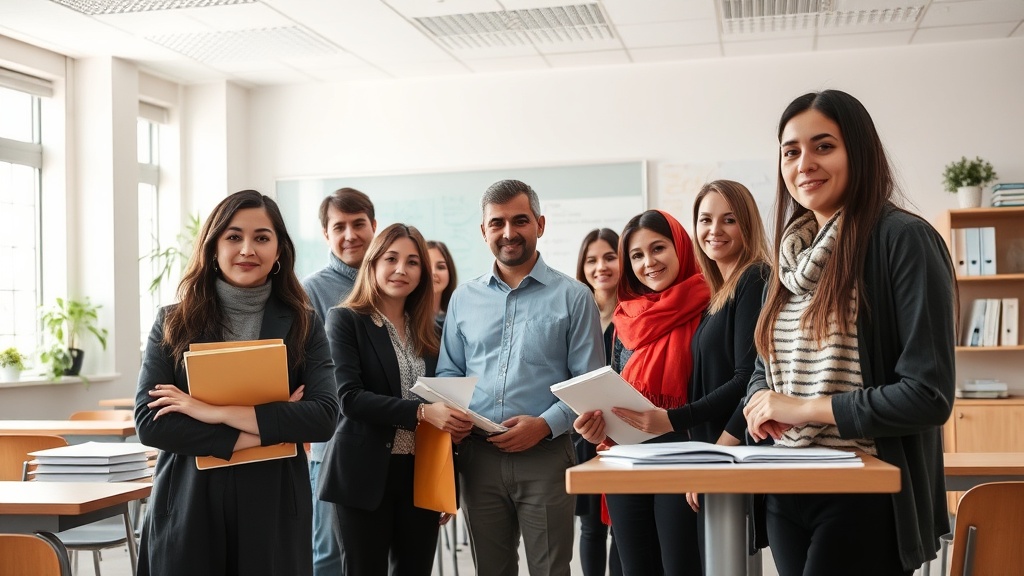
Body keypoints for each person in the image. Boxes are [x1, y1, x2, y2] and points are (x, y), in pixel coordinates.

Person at [742, 89, 955, 576]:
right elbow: (764, 367)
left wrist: (804, 409)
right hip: (787, 483)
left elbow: (928, 394)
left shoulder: (901, 240)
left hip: (864, 487)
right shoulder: (787, 259)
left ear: (859, 151)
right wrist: (762, 404)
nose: (804, 164)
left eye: (824, 146)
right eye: (790, 151)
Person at [134, 190, 339, 575]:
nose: (248, 249)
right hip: (191, 500)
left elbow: (323, 417)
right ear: (213, 247)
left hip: (273, 501)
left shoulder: (304, 323)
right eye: (233, 236)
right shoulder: (172, 321)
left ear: (279, 251)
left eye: (262, 237)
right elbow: (151, 422)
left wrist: (209, 411)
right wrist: (263, 432)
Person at [436, 179, 605, 576]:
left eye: (520, 220)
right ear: (484, 231)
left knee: (550, 569)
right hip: (477, 456)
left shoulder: (574, 296)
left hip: (544, 457)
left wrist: (544, 425)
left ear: (540, 224)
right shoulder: (463, 298)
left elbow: (588, 385)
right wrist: (453, 413)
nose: (508, 233)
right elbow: (449, 371)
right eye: (497, 223)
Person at [317, 223, 473, 575]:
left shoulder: (432, 332)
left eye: (413, 262)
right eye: (391, 258)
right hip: (363, 474)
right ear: (372, 263)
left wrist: (446, 480)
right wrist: (421, 412)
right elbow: (350, 399)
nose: (402, 269)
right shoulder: (345, 320)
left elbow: (445, 400)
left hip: (421, 473)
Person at [609, 181, 771, 502]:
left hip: (708, 448)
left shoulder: (752, 278)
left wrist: (680, 425)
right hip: (657, 450)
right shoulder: (719, 292)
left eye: (729, 219)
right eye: (705, 220)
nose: (714, 230)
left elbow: (750, 380)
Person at [574, 209, 709, 576]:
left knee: (679, 567)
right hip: (627, 459)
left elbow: (719, 392)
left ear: (680, 246)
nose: (648, 262)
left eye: (658, 248)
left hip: (684, 456)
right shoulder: (626, 318)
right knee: (634, 567)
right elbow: (617, 389)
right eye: (636, 255)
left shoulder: (709, 306)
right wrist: (596, 424)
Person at [301, 187, 376, 576]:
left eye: (358, 224)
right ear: (326, 234)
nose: (350, 235)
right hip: (333, 443)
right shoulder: (312, 289)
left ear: (373, 226)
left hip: (388, 438)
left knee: (380, 550)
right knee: (330, 552)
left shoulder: (391, 280)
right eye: (339, 226)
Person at [573, 227, 623, 576]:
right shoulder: (578, 313)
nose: (600, 267)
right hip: (586, 433)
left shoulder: (635, 314)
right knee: (591, 528)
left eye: (609, 256)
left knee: (622, 526)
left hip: (624, 432)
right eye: (591, 260)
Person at [427, 239, 457, 324]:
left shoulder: (458, 318)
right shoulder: (403, 319)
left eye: (440, 267)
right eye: (427, 266)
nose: (433, 273)